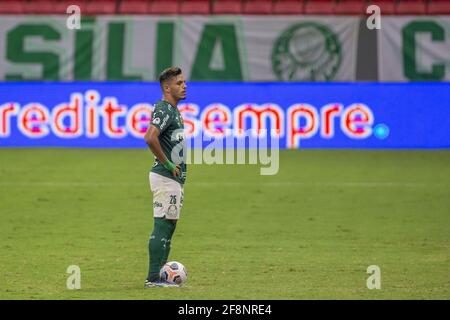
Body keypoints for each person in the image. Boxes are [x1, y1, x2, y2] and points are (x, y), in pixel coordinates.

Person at [143, 67, 187, 287]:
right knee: (162, 225)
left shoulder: (173, 111)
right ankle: (153, 279)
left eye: (184, 82)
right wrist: (169, 164)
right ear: (167, 88)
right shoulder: (165, 109)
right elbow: (150, 137)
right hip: (165, 177)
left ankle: (160, 275)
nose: (184, 86)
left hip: (172, 179)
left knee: (168, 225)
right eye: (179, 83)